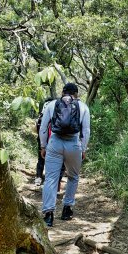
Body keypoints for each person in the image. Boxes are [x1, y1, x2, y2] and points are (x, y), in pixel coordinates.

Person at [39, 82, 90, 227]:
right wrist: (83, 149)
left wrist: (43, 146)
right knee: (73, 177)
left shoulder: (52, 104)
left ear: (63, 92)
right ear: (76, 94)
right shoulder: (83, 107)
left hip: (54, 143)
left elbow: (43, 127)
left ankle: (48, 215)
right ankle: (67, 209)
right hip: (74, 144)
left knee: (50, 178)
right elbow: (85, 131)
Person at [34, 97, 65, 189]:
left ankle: (39, 177)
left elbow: (42, 128)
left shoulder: (43, 113)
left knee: (41, 157)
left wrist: (42, 145)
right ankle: (56, 182)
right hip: (56, 140)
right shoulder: (59, 110)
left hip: (43, 138)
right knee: (59, 160)